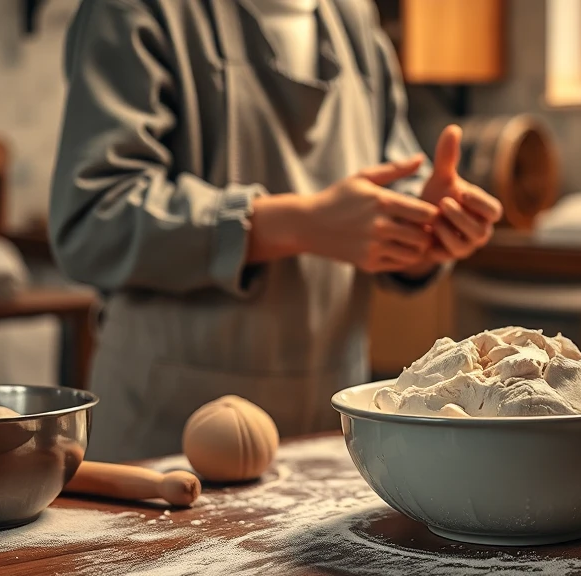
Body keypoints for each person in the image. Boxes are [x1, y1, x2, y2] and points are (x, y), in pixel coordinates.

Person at [49, 0, 502, 462]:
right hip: (164, 440)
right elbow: (91, 219)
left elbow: (397, 182)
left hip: (335, 439)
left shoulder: (353, 21)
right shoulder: (136, 11)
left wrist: (423, 229)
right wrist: (302, 225)